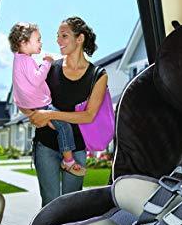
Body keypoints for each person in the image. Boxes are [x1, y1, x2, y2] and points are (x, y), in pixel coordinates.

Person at [28, 16, 108, 207]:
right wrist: (38, 114)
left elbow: (88, 116)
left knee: (71, 205)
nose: (58, 40)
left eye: (64, 36)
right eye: (57, 36)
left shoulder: (97, 75)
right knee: (50, 204)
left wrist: (51, 115)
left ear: (79, 38)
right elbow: (35, 103)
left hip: (77, 149)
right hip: (46, 146)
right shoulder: (50, 68)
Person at [9, 22, 86, 177]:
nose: (41, 43)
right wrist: (47, 62)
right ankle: (68, 161)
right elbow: (37, 79)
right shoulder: (26, 61)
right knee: (64, 126)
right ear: (24, 42)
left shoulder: (18, 59)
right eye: (38, 40)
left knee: (54, 125)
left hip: (27, 105)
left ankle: (50, 123)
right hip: (40, 104)